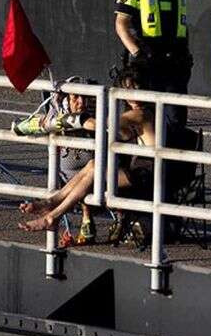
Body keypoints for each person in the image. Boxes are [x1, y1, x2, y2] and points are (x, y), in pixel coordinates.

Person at [17, 67, 154, 234]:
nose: (133, 94)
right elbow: (119, 133)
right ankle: (51, 203)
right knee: (92, 165)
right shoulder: (133, 114)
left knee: (95, 167)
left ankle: (53, 216)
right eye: (128, 89)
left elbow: (104, 125)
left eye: (137, 89)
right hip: (136, 171)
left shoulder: (141, 114)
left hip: (148, 175)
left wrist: (72, 119)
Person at [114, 0, 192, 138]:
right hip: (146, 67)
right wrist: (138, 54)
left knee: (175, 124)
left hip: (173, 67)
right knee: (140, 123)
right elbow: (121, 24)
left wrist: (185, 57)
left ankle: (169, 169)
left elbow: (182, 27)